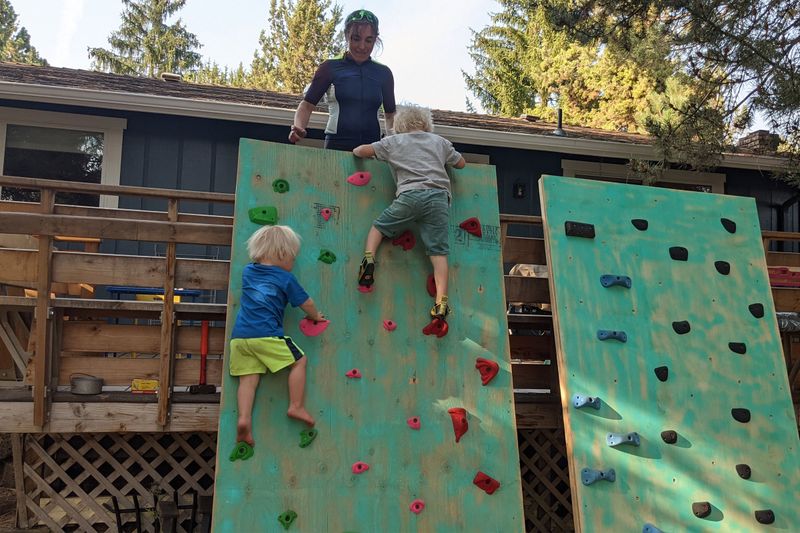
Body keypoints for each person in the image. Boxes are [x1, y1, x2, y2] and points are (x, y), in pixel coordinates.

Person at [352, 104, 466, 332]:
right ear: (426, 124)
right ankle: (441, 303)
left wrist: (359, 152)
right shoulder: (439, 142)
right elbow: (461, 163)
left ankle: (368, 260)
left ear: (399, 126)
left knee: (379, 228)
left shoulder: (393, 142)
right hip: (438, 199)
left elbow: (362, 151)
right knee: (438, 253)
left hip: (410, 195)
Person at [229, 225, 325, 448]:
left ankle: (244, 419)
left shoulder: (248, 272)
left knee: (248, 380)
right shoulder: (285, 278)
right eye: (293, 257)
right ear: (282, 254)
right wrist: (316, 316)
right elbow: (306, 303)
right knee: (299, 361)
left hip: (240, 339)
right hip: (266, 335)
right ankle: (296, 406)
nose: (293, 262)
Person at [288, 9, 396, 151]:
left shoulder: (384, 73)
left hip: (372, 148)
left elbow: (390, 115)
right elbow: (307, 106)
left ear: (375, 39)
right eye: (356, 39)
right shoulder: (330, 67)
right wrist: (299, 127)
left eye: (369, 40)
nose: (362, 46)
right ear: (346, 36)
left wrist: (395, 142)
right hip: (337, 145)